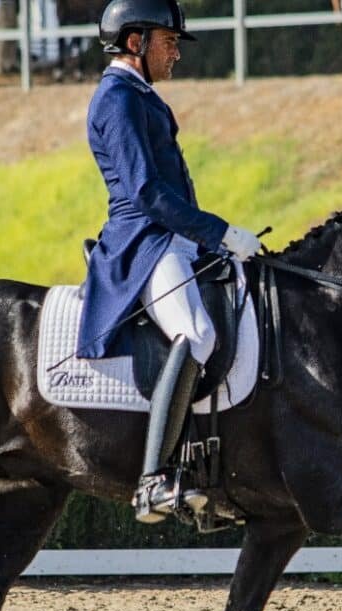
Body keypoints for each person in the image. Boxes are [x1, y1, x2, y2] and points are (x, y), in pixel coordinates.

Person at [77, 0, 261, 524]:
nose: (176, 53)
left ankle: (208, 469)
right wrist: (220, 232)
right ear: (135, 42)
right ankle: (153, 481)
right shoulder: (117, 98)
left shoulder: (141, 96)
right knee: (196, 334)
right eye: (169, 42)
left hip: (175, 242)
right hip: (145, 243)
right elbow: (146, 192)